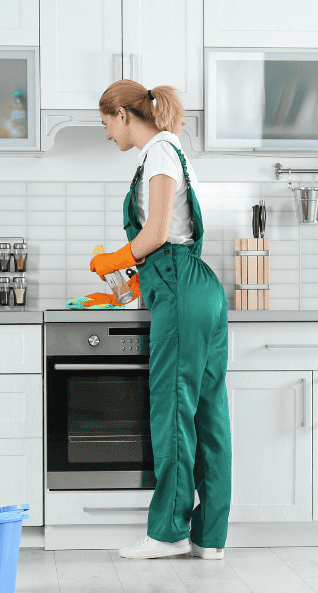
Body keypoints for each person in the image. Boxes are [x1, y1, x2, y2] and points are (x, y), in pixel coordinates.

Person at [93, 80, 231, 560]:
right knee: (208, 413)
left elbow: (155, 233)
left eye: (107, 123)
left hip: (180, 287)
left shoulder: (159, 154)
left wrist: (116, 259)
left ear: (125, 116)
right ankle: (209, 537)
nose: (108, 134)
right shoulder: (169, 151)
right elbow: (169, 235)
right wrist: (134, 275)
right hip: (196, 287)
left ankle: (169, 532)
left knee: (173, 408)